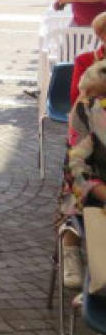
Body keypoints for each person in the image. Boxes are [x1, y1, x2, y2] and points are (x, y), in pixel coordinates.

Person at [64, 58, 106, 289]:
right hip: (93, 182)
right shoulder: (86, 110)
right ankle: (71, 248)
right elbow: (76, 163)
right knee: (74, 187)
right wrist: (99, 190)